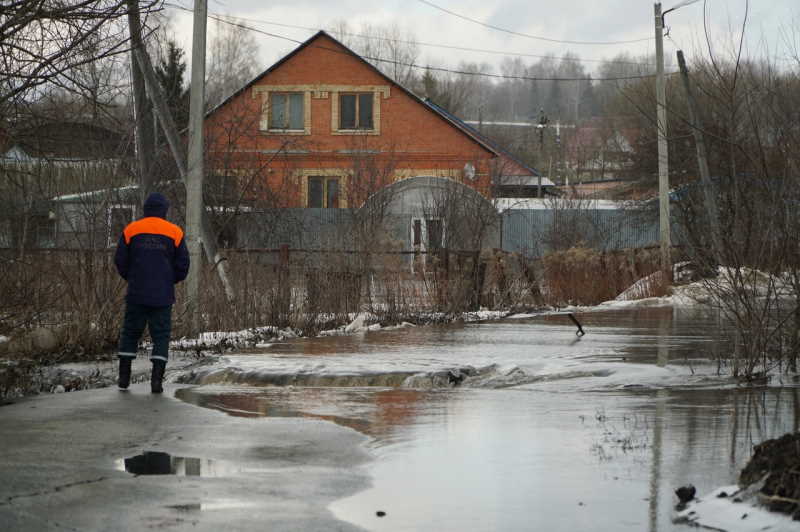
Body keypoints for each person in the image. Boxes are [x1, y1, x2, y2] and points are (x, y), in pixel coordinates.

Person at [114, 192, 190, 393]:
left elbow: (120, 260)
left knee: (130, 333)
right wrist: (170, 280)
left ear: (145, 209)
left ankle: (124, 378)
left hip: (137, 292)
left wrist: (131, 277)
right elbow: (183, 264)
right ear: (164, 210)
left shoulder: (132, 229)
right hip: (162, 295)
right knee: (161, 336)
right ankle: (156, 382)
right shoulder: (174, 232)